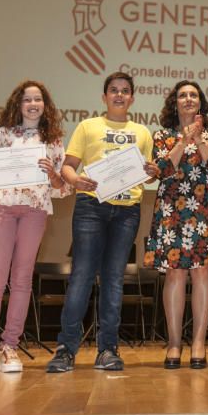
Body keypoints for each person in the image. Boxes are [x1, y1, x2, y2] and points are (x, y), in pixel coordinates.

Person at [45, 71, 159, 373]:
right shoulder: (88, 126)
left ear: (132, 98)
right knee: (81, 276)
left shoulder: (143, 132)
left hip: (126, 211)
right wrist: (76, 180)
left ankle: (108, 349)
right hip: (91, 207)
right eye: (113, 90)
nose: (119, 95)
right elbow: (68, 167)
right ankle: (65, 350)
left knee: (113, 280)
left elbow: (147, 175)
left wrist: (152, 170)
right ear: (104, 97)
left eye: (124, 91)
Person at [0, 81, 71, 373]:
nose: (32, 104)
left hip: (35, 211)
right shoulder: (4, 135)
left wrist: (53, 175)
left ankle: (9, 345)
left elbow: (61, 187)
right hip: (3, 208)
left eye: (38, 99)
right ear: (17, 105)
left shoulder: (54, 139)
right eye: (26, 99)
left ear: (45, 105)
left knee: (21, 279)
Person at [144, 81, 208, 369]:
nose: (188, 99)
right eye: (182, 95)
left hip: (206, 208)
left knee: (202, 272)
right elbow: (163, 169)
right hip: (173, 210)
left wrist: (199, 140)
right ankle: (174, 343)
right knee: (174, 274)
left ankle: (198, 342)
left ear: (200, 103)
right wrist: (183, 141)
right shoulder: (162, 135)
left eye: (193, 95)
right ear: (175, 102)